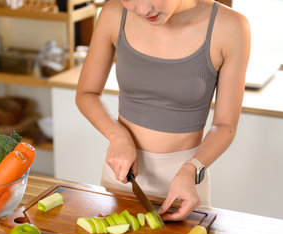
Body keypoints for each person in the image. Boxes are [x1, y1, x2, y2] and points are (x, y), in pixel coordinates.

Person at [76, 0, 250, 221]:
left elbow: (225, 125)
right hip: (122, 173)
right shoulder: (113, 14)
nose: (142, 10)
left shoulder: (230, 27)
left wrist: (192, 169)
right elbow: (86, 93)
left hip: (185, 181)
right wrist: (117, 136)